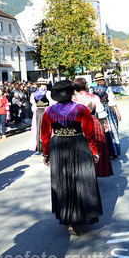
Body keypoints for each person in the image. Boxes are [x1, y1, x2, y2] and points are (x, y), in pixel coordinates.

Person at [41, 79, 102, 235]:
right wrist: (94, 151)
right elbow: (89, 133)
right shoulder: (81, 109)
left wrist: (46, 153)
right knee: (81, 179)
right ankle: (81, 214)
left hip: (58, 147)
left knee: (63, 182)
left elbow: (45, 136)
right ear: (71, 94)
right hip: (78, 144)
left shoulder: (49, 112)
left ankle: (68, 217)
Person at [73, 77, 112, 178]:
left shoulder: (73, 99)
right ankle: (96, 171)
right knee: (96, 145)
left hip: (78, 124)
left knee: (80, 148)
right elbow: (101, 112)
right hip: (92, 121)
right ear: (85, 85)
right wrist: (105, 123)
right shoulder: (94, 97)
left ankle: (82, 172)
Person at [93, 74, 122, 157]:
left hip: (98, 111)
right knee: (112, 130)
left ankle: (104, 151)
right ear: (103, 80)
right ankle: (114, 151)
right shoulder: (107, 88)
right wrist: (117, 113)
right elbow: (112, 102)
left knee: (101, 131)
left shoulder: (93, 89)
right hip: (107, 110)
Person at [30, 80, 51, 154]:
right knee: (47, 129)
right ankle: (47, 145)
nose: (45, 86)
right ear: (41, 85)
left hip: (38, 111)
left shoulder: (33, 94)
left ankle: (40, 146)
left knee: (38, 128)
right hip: (46, 111)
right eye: (44, 84)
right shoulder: (47, 93)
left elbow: (33, 104)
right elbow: (51, 103)